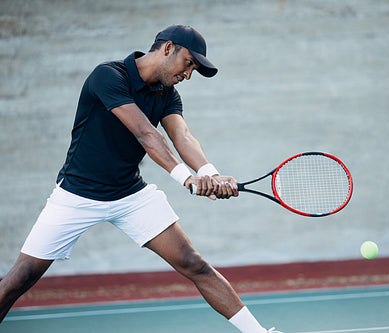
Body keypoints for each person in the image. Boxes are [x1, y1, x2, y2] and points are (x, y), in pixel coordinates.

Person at [0, 25, 282, 333]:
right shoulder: (108, 76)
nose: (189, 74)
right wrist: (187, 180)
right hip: (76, 196)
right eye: (188, 63)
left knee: (195, 263)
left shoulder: (168, 95)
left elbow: (182, 136)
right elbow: (146, 134)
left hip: (130, 197)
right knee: (20, 278)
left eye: (195, 70)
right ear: (167, 48)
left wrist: (209, 173)